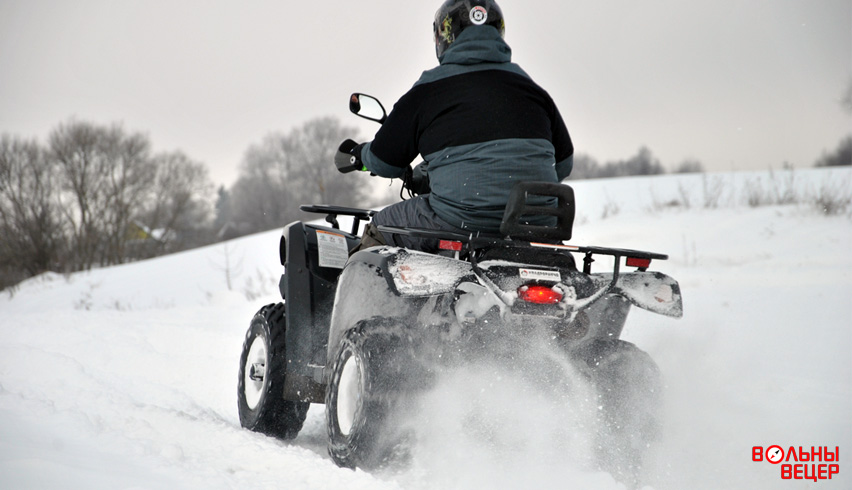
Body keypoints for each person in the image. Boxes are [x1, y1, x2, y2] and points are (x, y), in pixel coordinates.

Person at [340, 0, 574, 252]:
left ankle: (358, 290)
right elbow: (563, 164)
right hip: (536, 223)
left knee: (383, 226)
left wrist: (359, 155)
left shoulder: (428, 91)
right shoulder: (532, 90)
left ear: (444, 35)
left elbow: (383, 161)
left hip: (462, 222)